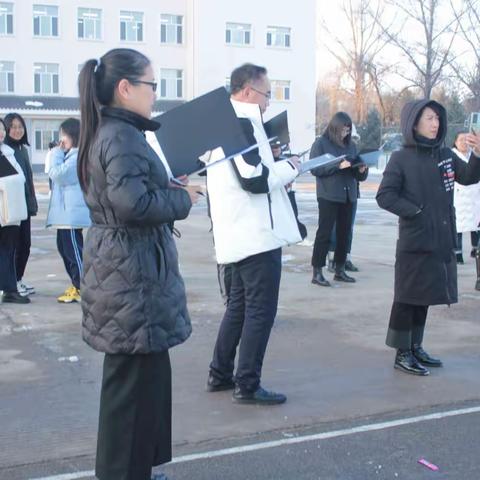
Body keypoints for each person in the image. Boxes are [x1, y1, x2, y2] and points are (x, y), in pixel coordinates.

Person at [78, 48, 199, 480]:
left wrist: (167, 186)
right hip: (132, 275)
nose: (155, 94)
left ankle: (135, 471)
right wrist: (182, 199)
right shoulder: (120, 135)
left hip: (128, 269)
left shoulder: (115, 132)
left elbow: (129, 192)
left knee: (142, 380)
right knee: (129, 387)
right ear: (125, 88)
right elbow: (132, 204)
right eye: (151, 85)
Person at [206, 63, 301, 405]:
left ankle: (220, 374)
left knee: (239, 308)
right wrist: (289, 167)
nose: (268, 102)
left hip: (240, 234)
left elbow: (247, 171)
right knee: (259, 311)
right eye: (266, 94)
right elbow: (255, 179)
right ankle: (246, 383)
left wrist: (271, 159)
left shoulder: (228, 123)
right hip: (254, 235)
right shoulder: (241, 123)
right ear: (246, 91)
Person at [376, 99, 480, 376]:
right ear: (414, 122)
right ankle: (402, 352)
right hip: (415, 240)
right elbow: (385, 195)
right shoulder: (402, 158)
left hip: (441, 236)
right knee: (407, 297)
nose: (435, 124)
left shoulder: (444, 154)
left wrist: (478, 155)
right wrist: (416, 212)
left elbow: (468, 176)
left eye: (437, 118)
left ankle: (416, 345)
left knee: (424, 296)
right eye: (429, 118)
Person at [310, 112, 368, 287]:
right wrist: (336, 166)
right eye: (343, 129)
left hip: (348, 194)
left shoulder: (351, 146)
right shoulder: (321, 144)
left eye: (348, 130)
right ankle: (317, 271)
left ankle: (340, 269)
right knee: (324, 233)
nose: (345, 133)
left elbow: (356, 174)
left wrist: (361, 170)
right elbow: (315, 169)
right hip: (329, 194)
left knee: (344, 234)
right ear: (335, 127)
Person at [46, 118, 91, 303]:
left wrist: (55, 153)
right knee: (64, 248)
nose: (61, 140)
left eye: (64, 135)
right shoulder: (69, 156)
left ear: (74, 136)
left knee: (74, 251)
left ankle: (83, 286)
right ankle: (76, 282)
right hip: (65, 215)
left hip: (72, 216)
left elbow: (58, 175)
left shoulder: (78, 157)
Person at [4, 112, 38, 297]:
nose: (17, 130)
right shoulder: (5, 150)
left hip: (24, 204)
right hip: (12, 206)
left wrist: (31, 202)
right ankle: (12, 283)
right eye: (13, 127)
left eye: (20, 127)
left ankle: (17, 280)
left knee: (25, 244)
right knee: (15, 246)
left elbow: (29, 179)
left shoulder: (22, 149)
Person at [0, 118, 30, 304]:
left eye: (1, 129)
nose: (1, 133)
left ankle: (10, 289)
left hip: (10, 210)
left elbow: (22, 178)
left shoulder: (8, 153)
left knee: (8, 250)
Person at [451, 132, 480, 264]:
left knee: (476, 224)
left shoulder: (473, 155)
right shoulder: (452, 156)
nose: (464, 142)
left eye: (466, 140)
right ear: (455, 143)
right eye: (461, 140)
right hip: (459, 196)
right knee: (459, 226)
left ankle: (476, 249)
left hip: (474, 196)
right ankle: (458, 253)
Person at [271, 140, 307, 240]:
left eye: (277, 147)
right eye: (273, 147)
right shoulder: (269, 162)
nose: (276, 149)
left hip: (288, 193)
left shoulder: (284, 160)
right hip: (276, 195)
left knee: (292, 215)